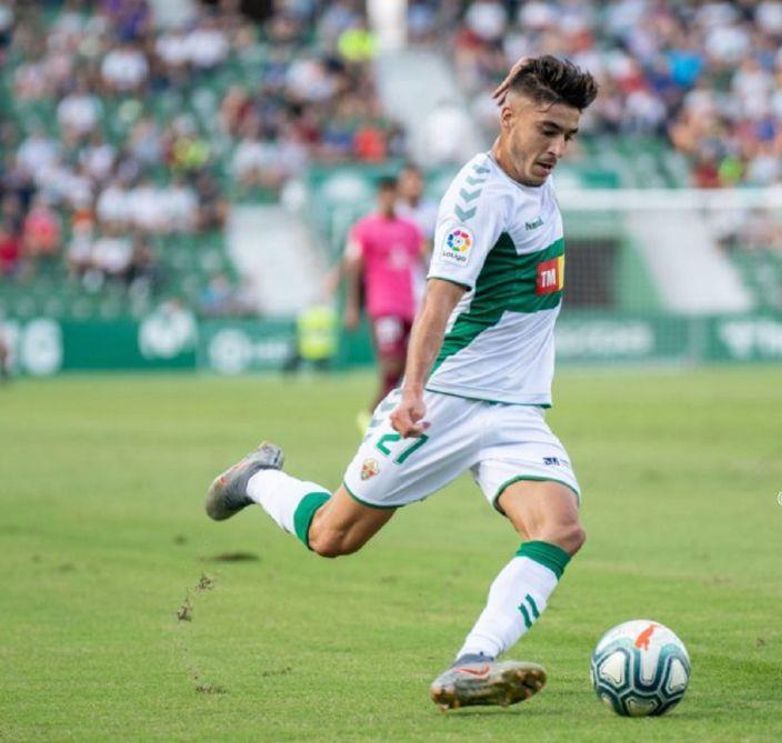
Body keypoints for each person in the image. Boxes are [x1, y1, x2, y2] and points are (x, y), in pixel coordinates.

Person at [204, 55, 598, 711]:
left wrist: (528, 67)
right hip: (446, 401)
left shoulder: (532, 176)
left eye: (569, 135)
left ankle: (473, 662)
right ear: (508, 115)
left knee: (560, 528)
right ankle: (255, 478)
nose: (557, 148)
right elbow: (438, 299)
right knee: (333, 535)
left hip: (517, 412)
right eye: (548, 129)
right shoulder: (479, 195)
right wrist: (412, 390)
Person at [341, 176, 424, 421]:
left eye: (392, 194)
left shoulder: (410, 229)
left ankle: (387, 417)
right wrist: (353, 306)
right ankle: (371, 416)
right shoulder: (365, 228)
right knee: (391, 364)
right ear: (379, 197)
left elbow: (424, 261)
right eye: (384, 194)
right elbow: (355, 267)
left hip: (409, 306)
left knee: (411, 368)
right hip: (383, 306)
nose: (389, 199)